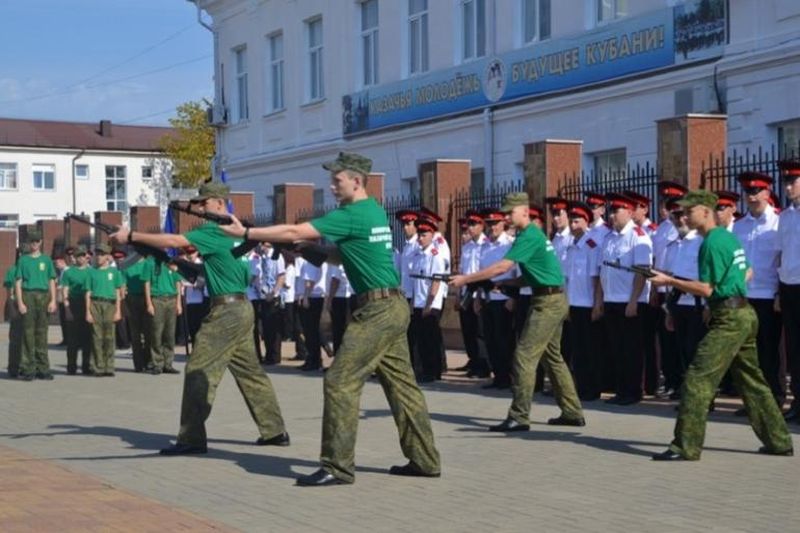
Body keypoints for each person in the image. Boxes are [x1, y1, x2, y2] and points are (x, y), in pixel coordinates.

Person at [220, 152, 440, 486]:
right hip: (391, 306)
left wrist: (248, 233)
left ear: (356, 181)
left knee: (339, 380)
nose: (332, 186)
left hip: (377, 311)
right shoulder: (373, 211)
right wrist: (311, 251)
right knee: (402, 388)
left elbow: (297, 227)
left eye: (337, 180)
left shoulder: (351, 213)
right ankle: (425, 460)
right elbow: (346, 253)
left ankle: (337, 466)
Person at [109, 182, 289, 455]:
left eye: (204, 203)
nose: (201, 208)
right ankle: (274, 430)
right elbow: (219, 267)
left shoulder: (214, 230)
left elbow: (175, 241)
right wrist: (184, 266)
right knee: (251, 373)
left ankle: (191, 438)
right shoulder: (237, 231)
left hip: (225, 311)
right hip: (242, 307)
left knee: (197, 370)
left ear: (218, 202)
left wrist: (132, 235)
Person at [649, 190, 793, 460]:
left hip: (729, 319)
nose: (684, 216)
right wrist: (729, 289)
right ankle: (778, 440)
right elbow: (748, 271)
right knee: (753, 382)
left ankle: (685, 446)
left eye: (689, 211)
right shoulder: (729, 238)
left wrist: (669, 281)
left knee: (696, 379)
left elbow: (705, 288)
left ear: (705, 211)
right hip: (742, 312)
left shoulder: (712, 243)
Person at [451, 191, 585, 431]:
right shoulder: (529, 235)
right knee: (552, 358)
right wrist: (507, 284)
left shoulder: (529, 236)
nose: (506, 217)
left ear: (524, 211)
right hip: (549, 297)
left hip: (548, 303)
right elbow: (535, 274)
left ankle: (519, 416)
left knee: (523, 356)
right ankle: (572, 412)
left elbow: (504, 265)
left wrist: (466, 279)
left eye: (510, 212)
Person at [733, 172, 783, 410]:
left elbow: (782, 259)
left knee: (768, 352)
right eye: (748, 192)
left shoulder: (778, 222)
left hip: (768, 296)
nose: (752, 197)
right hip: (744, 296)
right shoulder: (739, 226)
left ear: (767, 193)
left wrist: (778, 293)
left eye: (756, 192)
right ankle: (752, 401)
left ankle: (772, 399)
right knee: (746, 354)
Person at [596, 193, 653, 405]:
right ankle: (621, 390)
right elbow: (603, 270)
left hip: (630, 302)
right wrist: (601, 300)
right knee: (617, 349)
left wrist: (633, 301)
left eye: (616, 211)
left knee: (632, 350)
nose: (612, 215)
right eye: (611, 211)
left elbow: (641, 271)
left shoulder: (638, 236)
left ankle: (633, 392)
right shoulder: (609, 238)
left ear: (629, 212)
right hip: (612, 299)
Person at [563, 202, 602, 401]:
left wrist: (597, 304)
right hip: (573, 304)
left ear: (586, 222)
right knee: (577, 350)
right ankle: (581, 386)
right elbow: (567, 279)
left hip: (587, 305)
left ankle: (592, 389)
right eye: (571, 220)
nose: (572, 223)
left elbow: (596, 278)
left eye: (577, 220)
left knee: (590, 350)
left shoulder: (591, 245)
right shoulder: (571, 246)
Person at [477, 208, 517, 389]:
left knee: (505, 340)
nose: (492, 227)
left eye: (496, 223)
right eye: (490, 224)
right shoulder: (484, 246)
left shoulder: (509, 244)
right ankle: (498, 376)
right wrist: (478, 297)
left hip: (504, 297)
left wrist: (512, 298)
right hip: (487, 298)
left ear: (503, 224)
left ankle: (508, 376)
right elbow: (480, 274)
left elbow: (516, 272)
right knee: (490, 339)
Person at [14, 230, 57, 381]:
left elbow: (52, 280)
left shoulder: (46, 260)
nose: (34, 244)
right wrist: (20, 302)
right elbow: (18, 282)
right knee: (28, 333)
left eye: (37, 241)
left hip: (43, 296)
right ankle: (27, 368)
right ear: (28, 243)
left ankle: (43, 368)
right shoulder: (23, 260)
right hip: (28, 295)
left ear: (41, 242)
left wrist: (53, 300)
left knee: (42, 333)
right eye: (32, 241)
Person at [410, 216, 447, 383]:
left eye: (424, 234)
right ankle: (425, 369)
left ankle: (434, 371)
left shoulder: (435, 254)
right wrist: (414, 302)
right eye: (419, 234)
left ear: (432, 235)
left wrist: (429, 304)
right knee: (422, 339)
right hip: (418, 301)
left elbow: (436, 281)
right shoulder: (419, 254)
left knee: (431, 339)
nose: (420, 237)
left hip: (430, 304)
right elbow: (417, 282)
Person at [776, 160, 800, 422]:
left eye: (792, 181)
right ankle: (797, 402)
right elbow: (780, 254)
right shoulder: (785, 216)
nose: (788, 187)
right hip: (789, 286)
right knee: (793, 349)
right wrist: (779, 292)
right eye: (786, 182)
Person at [456, 209, 491, 378]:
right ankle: (473, 362)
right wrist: (458, 294)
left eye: (473, 224)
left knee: (480, 331)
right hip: (466, 291)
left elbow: (483, 271)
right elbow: (462, 270)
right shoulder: (467, 247)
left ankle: (483, 366)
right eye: (468, 224)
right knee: (468, 330)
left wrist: (477, 292)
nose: (469, 227)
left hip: (479, 291)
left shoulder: (487, 244)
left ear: (481, 226)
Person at [85, 244, 123, 377]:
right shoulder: (91, 272)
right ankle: (98, 366)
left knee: (109, 337)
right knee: (97, 337)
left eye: (101, 254)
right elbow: (88, 293)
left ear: (107, 256)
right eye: (97, 254)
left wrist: (118, 310)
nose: (98, 257)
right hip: (96, 303)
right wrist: (88, 311)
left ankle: (109, 366)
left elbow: (118, 292)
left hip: (110, 304)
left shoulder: (114, 273)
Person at [143, 254, 182, 375]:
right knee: (156, 332)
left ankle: (168, 363)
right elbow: (147, 283)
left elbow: (178, 283)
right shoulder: (149, 263)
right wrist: (149, 303)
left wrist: (179, 303)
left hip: (171, 299)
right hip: (157, 299)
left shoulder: (172, 262)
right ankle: (157, 363)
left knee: (170, 334)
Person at [60, 245, 92, 375]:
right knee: (72, 339)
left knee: (87, 339)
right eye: (79, 256)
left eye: (83, 255)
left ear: (87, 257)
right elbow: (65, 290)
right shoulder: (68, 272)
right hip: (74, 304)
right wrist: (67, 309)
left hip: (87, 305)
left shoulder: (92, 271)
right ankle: (71, 366)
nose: (81, 258)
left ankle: (86, 366)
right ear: (75, 257)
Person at [122, 253, 151, 372]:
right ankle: (138, 364)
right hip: (132, 299)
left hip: (147, 298)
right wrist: (123, 305)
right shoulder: (127, 266)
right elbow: (123, 287)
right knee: (135, 334)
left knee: (149, 333)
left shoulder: (149, 264)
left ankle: (148, 361)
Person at [259, 242, 286, 365]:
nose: (261, 246)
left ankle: (275, 356)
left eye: (263, 244)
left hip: (273, 296)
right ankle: (269, 354)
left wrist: (274, 292)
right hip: (264, 295)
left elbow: (281, 276)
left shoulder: (277, 256)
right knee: (266, 328)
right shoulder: (262, 258)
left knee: (274, 327)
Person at [4, 247, 23, 378]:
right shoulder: (13, 270)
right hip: (16, 305)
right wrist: (12, 307)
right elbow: (9, 292)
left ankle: (25, 365)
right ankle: (13, 367)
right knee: (16, 338)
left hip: (30, 304)